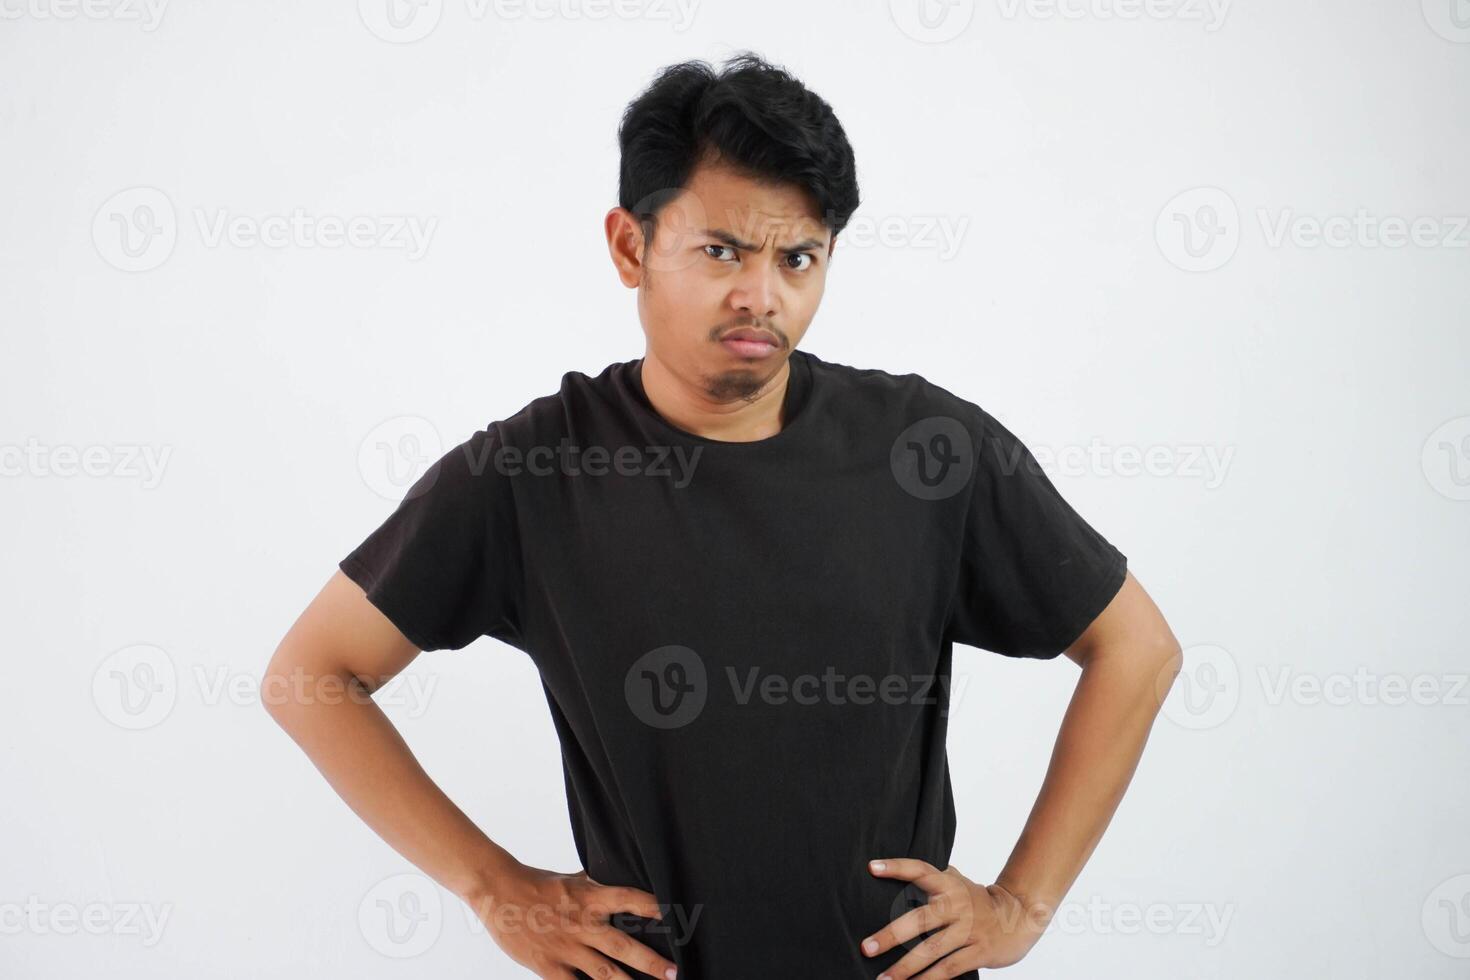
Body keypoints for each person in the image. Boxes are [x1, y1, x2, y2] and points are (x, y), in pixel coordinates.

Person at [263, 52, 1182, 980]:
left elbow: (1137, 647)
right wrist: (493, 886)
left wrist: (1021, 905)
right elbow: (311, 674)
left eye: (798, 258)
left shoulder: (928, 450)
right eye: (722, 252)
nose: (763, 295)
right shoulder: (532, 473)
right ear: (631, 247)